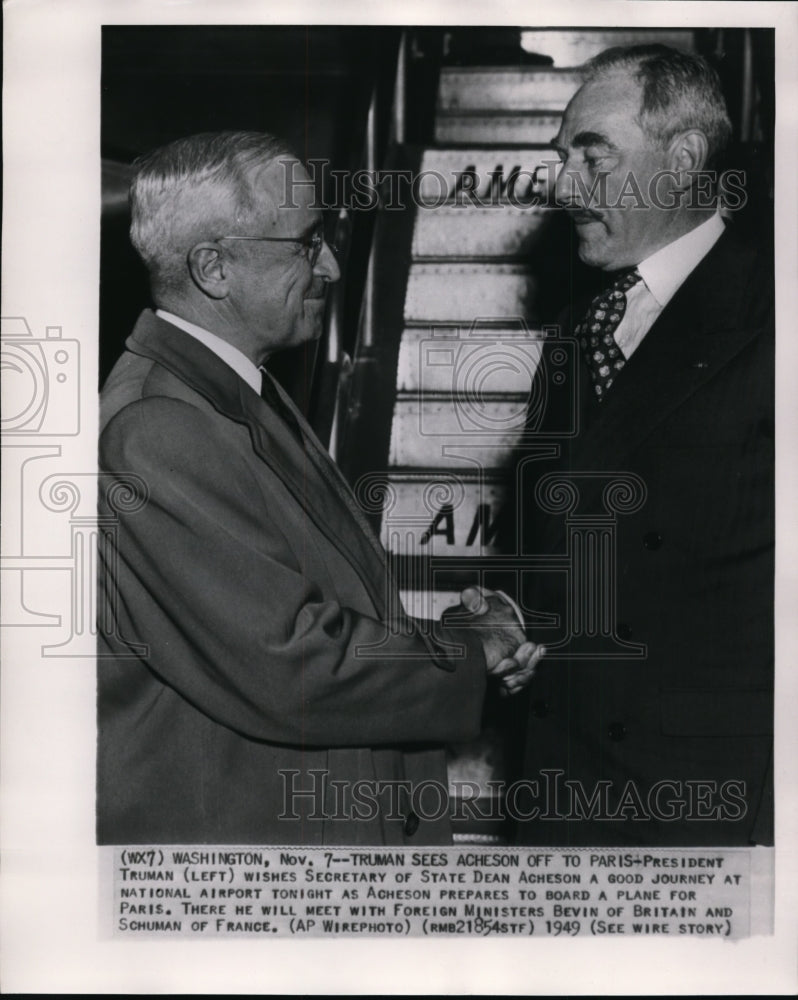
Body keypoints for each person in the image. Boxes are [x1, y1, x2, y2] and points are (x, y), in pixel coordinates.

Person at [97, 130, 541, 846]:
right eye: (306, 244)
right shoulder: (158, 426)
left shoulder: (228, 389)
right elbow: (291, 662)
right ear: (214, 268)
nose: (331, 265)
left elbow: (310, 604)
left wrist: (457, 638)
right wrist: (468, 651)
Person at [514, 45, 773, 846]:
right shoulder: (581, 327)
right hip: (563, 785)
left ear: (684, 158)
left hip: (701, 809)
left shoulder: (774, 314)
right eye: (563, 159)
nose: (563, 187)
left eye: (593, 159)